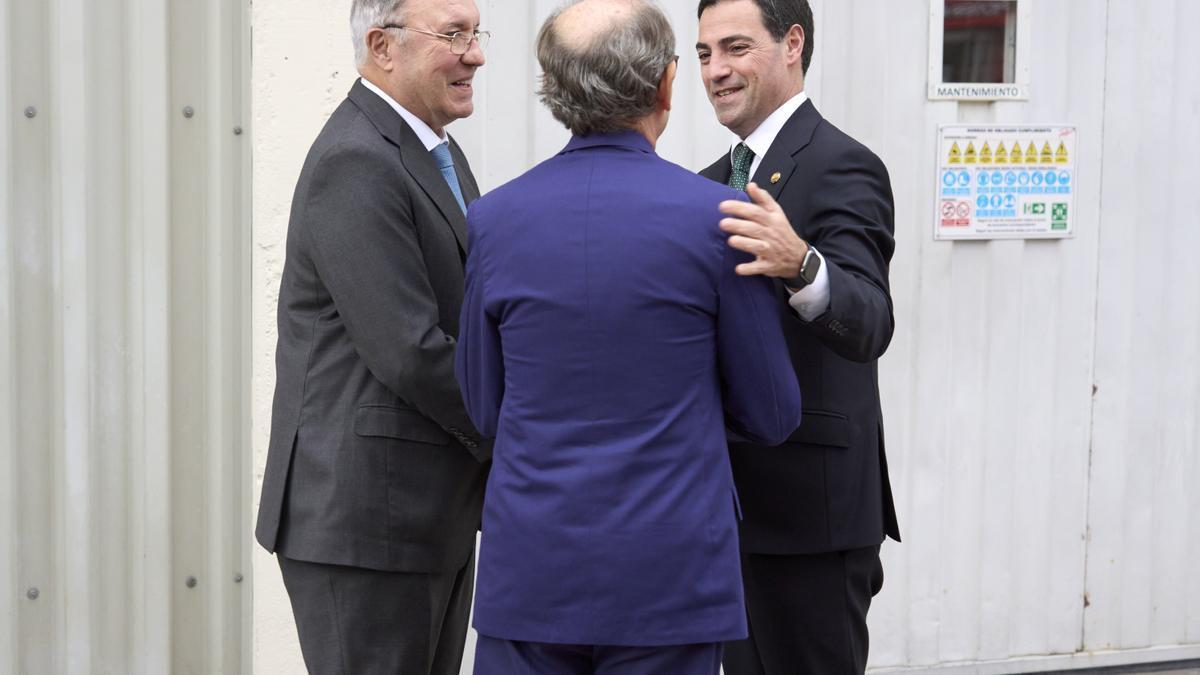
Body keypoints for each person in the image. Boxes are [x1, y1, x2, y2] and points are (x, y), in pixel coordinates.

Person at [455, 1, 802, 673]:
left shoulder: (493, 220)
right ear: (666, 84)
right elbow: (771, 410)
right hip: (670, 576)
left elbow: (483, 404)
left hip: (531, 571)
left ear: (554, 91)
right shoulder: (718, 220)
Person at [253, 1, 492, 672]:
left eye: (476, 34)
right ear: (383, 47)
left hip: (420, 517)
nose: (476, 55)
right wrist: (526, 430)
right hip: (367, 525)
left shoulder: (434, 151)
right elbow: (411, 351)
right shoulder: (357, 159)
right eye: (454, 36)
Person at [694, 0, 901, 673]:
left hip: (813, 519)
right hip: (725, 513)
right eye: (703, 55)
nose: (715, 71)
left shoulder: (844, 164)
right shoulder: (703, 185)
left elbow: (870, 320)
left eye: (734, 48)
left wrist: (803, 264)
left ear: (792, 43)